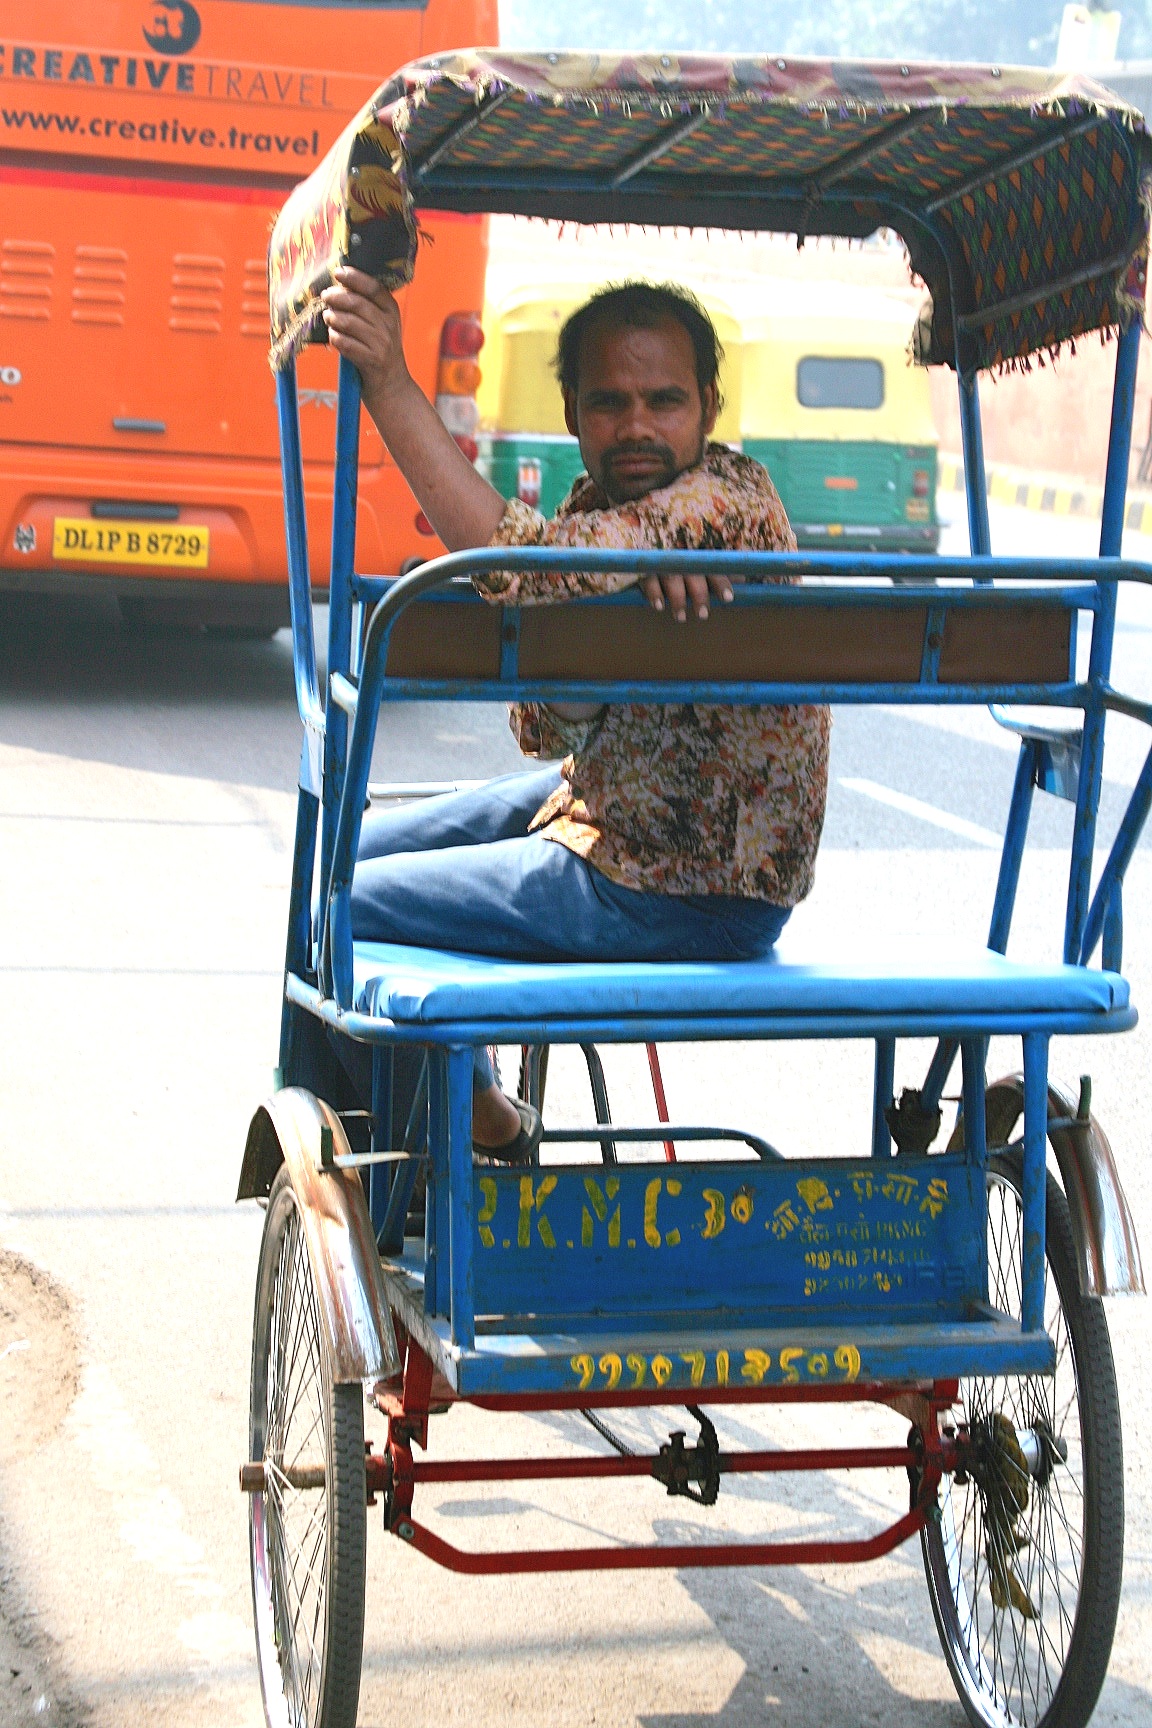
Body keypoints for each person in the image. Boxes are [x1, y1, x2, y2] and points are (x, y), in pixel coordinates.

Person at [319, 269, 830, 1160]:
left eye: (663, 401)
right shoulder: (604, 512)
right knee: (326, 854)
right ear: (573, 412)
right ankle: (436, 1123)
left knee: (330, 910)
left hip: (683, 892)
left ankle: (478, 1125)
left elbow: (513, 568)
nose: (636, 425)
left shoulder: (727, 506)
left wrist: (393, 384)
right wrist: (600, 640)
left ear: (709, 406)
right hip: (602, 819)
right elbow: (541, 726)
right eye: (611, 403)